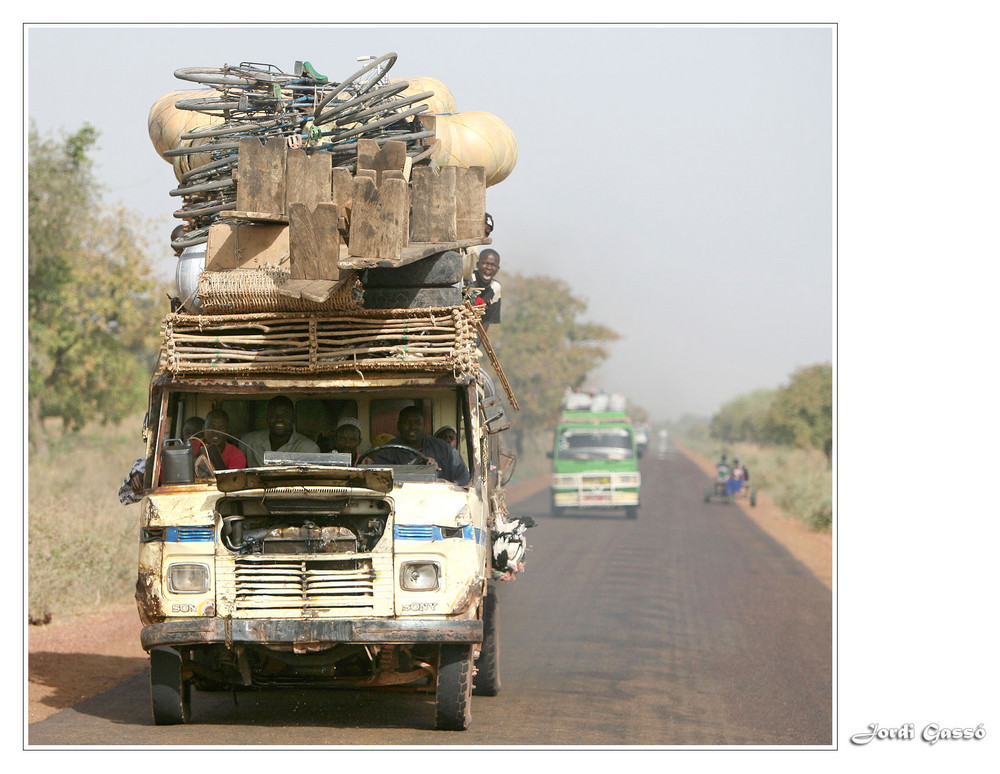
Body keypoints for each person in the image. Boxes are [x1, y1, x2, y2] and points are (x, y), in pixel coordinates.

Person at [365, 406, 470, 486]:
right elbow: (379, 482)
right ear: (399, 426)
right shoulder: (387, 451)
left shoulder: (445, 449)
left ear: (424, 425)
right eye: (407, 423)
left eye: (417, 422)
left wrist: (444, 484)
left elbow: (463, 481)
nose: (412, 427)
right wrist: (414, 467)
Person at [118, 415, 204, 505]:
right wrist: (140, 474)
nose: (193, 437)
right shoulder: (169, 460)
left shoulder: (208, 455)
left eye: (197, 433)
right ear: (182, 437)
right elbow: (125, 497)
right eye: (187, 433)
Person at [241, 395, 319, 465]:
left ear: (293, 418)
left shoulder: (308, 448)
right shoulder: (248, 442)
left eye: (285, 415)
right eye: (274, 414)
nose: (279, 419)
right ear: (267, 417)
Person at [192, 408, 247, 474]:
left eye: (221, 428)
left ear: (227, 431)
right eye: (211, 426)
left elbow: (231, 481)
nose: (216, 432)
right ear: (203, 428)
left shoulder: (236, 455)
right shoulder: (192, 446)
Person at [465, 248, 502, 331]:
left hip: (474, 332)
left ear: (497, 268)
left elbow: (486, 321)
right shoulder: (468, 280)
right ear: (477, 265)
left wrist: (477, 342)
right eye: (485, 263)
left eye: (493, 265)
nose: (489, 268)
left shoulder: (495, 288)